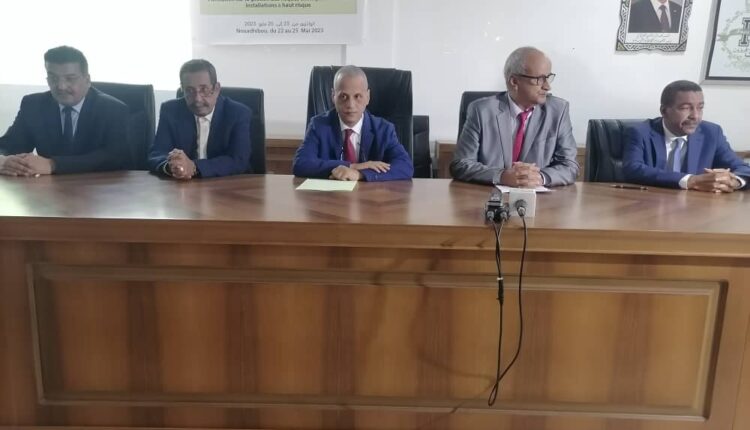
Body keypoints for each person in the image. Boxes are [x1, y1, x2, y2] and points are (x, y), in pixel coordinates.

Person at [451, 46, 578, 187]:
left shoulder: (558, 111)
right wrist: (501, 176)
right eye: (540, 79)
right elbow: (461, 164)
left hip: (539, 197)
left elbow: (570, 166)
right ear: (514, 81)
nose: (547, 87)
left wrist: (539, 177)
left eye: (548, 78)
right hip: (488, 196)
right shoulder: (481, 111)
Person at [0, 46, 128, 176]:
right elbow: (9, 145)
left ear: (87, 80)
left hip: (98, 186)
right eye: (53, 78)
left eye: (70, 79)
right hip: (47, 187)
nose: (61, 86)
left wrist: (53, 164)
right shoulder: (33, 105)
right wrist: (4, 161)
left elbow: (115, 157)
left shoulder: (112, 109)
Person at [623, 80, 750, 192]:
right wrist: (690, 180)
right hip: (650, 203)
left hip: (696, 204)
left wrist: (733, 182)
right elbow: (633, 169)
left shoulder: (711, 133)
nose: (695, 116)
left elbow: (742, 168)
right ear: (664, 111)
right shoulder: (641, 132)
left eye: (700, 108)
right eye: (685, 108)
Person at [293, 65, 413, 181]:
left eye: (357, 96)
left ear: (368, 97)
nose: (350, 105)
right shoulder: (318, 125)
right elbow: (301, 164)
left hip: (370, 194)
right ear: (333, 96)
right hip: (330, 194)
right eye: (343, 96)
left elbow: (405, 167)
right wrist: (352, 166)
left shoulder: (384, 129)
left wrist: (360, 174)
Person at [148, 59, 251, 179]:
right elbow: (157, 154)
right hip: (182, 185)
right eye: (189, 90)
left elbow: (238, 160)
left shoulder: (238, 113)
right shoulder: (170, 110)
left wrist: (194, 167)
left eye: (204, 89)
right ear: (182, 89)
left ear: (216, 89)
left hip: (227, 185)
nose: (197, 99)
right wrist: (172, 165)